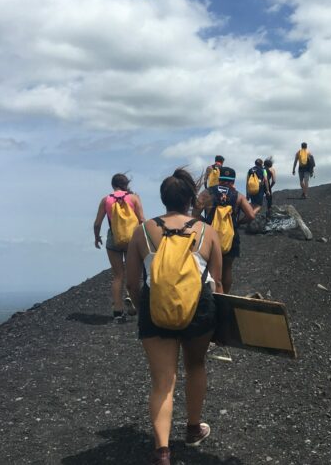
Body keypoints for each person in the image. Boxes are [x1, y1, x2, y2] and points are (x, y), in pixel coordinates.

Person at [125, 168, 222, 465]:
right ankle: (193, 429)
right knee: (195, 365)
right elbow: (217, 283)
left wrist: (145, 310)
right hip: (199, 306)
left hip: (156, 305)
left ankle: (163, 452)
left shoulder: (142, 231)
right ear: (191, 199)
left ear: (163, 199)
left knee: (163, 381)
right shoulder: (207, 231)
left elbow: (132, 282)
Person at [194, 166, 255, 294]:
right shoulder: (238, 196)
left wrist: (206, 223)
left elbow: (194, 213)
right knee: (227, 268)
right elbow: (251, 215)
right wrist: (238, 222)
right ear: (233, 181)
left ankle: (207, 294)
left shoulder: (207, 193)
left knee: (207, 268)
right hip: (230, 237)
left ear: (219, 178)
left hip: (208, 237)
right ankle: (224, 296)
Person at [93, 173, 145, 322]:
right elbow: (142, 219)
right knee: (133, 273)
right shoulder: (134, 198)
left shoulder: (105, 200)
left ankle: (117, 312)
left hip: (113, 239)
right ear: (126, 184)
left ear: (112, 185)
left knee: (118, 276)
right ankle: (131, 299)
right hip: (132, 239)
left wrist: (97, 238)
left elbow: (97, 223)